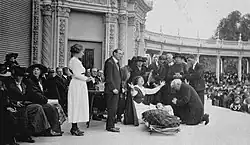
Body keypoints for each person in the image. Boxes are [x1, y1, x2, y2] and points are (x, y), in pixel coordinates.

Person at [67, 44, 92, 136]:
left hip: (79, 84)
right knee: (76, 104)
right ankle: (74, 128)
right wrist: (86, 79)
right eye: (82, 51)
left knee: (78, 104)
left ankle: (75, 127)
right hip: (77, 84)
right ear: (77, 52)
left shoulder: (76, 61)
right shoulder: (74, 61)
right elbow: (77, 74)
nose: (83, 53)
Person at [104, 49, 123, 133]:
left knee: (114, 109)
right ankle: (110, 126)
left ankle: (112, 125)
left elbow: (118, 77)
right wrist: (113, 88)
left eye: (122, 54)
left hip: (116, 89)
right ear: (114, 53)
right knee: (112, 108)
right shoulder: (110, 62)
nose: (121, 55)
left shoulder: (116, 63)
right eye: (119, 54)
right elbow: (108, 77)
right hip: (112, 90)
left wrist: (120, 88)